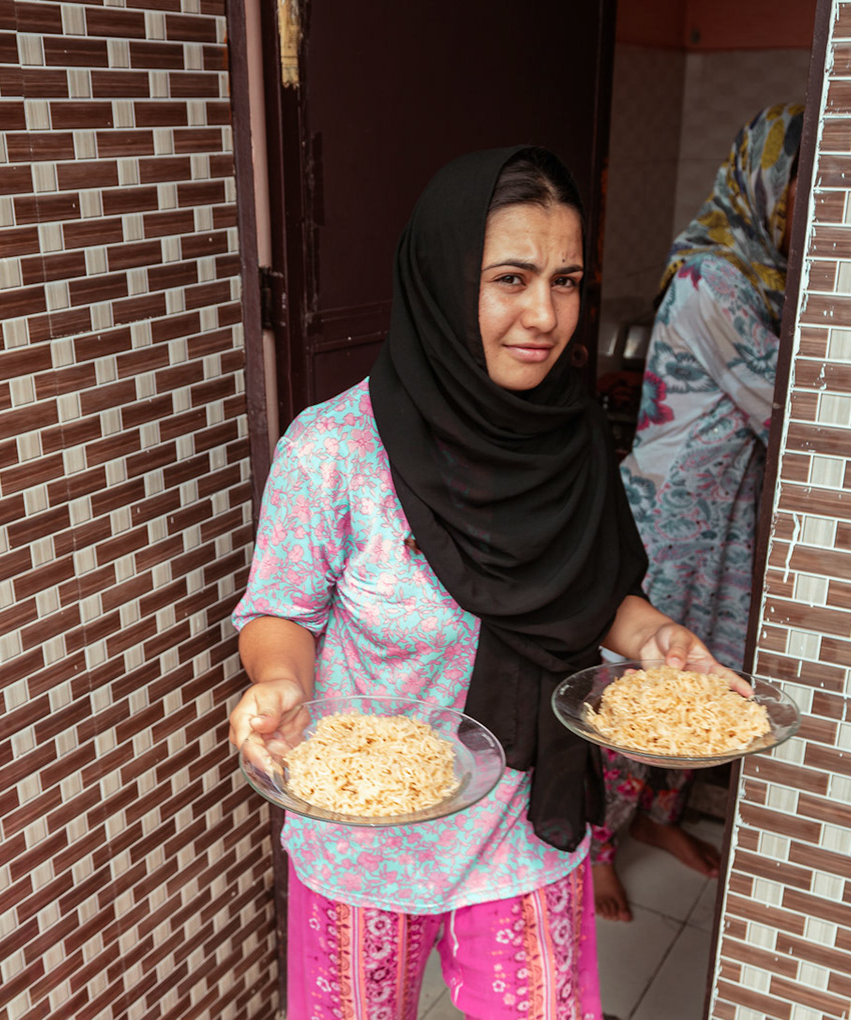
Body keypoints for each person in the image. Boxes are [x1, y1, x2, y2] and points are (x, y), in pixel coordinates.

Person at [226, 146, 737, 1020]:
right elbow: (283, 607)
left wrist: (654, 637)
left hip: (521, 821)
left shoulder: (570, 436)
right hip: (370, 827)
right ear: (442, 276)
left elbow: (586, 593)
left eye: (567, 280)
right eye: (510, 277)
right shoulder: (335, 450)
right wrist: (279, 680)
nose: (544, 315)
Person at [589, 104, 805, 923]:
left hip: (722, 521)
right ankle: (598, 845)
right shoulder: (713, 277)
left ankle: (656, 814)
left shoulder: (764, 278)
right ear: (762, 182)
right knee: (641, 691)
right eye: (794, 188)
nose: (799, 207)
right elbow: (777, 408)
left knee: (701, 687)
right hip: (670, 519)